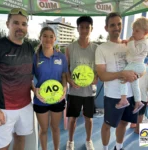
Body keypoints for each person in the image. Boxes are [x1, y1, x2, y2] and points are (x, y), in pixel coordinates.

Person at [95, 12, 139, 150]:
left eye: (119, 24)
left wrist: (137, 75)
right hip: (113, 96)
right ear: (106, 28)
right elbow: (102, 75)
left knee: (124, 123)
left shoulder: (129, 45)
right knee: (107, 125)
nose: (116, 27)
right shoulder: (101, 48)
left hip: (131, 94)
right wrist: (121, 73)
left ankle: (118, 147)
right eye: (112, 25)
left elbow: (139, 64)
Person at [0, 8, 34, 150]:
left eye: (24, 24)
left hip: (26, 105)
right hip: (4, 108)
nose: (20, 27)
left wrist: (34, 89)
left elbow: (28, 75)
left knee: (20, 138)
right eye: (16, 23)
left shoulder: (29, 47)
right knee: (2, 146)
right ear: (8, 24)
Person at [32, 26, 68, 150]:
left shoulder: (61, 57)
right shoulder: (35, 57)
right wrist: (35, 91)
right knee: (43, 129)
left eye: (51, 36)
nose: (48, 39)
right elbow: (29, 78)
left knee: (55, 128)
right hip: (40, 100)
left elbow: (64, 75)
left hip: (58, 98)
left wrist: (64, 88)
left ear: (55, 39)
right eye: (45, 36)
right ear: (40, 38)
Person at [65, 16, 98, 150]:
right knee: (73, 119)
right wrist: (70, 80)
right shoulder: (69, 47)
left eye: (87, 27)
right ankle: (70, 141)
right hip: (74, 90)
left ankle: (89, 140)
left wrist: (96, 78)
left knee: (89, 119)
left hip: (89, 91)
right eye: (81, 27)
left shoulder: (96, 48)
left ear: (91, 29)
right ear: (77, 28)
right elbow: (66, 69)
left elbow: (99, 69)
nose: (84, 30)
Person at [116, 17, 148, 114]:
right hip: (136, 65)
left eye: (137, 31)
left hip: (136, 65)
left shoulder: (144, 43)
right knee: (135, 84)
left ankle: (123, 99)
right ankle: (138, 102)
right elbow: (132, 47)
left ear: (145, 33)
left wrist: (130, 42)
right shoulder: (139, 41)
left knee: (122, 77)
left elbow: (134, 52)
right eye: (133, 30)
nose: (133, 33)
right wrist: (128, 42)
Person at [130, 57, 148, 133]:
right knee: (142, 114)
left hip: (133, 94)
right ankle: (138, 130)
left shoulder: (140, 67)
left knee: (135, 110)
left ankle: (133, 124)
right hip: (143, 96)